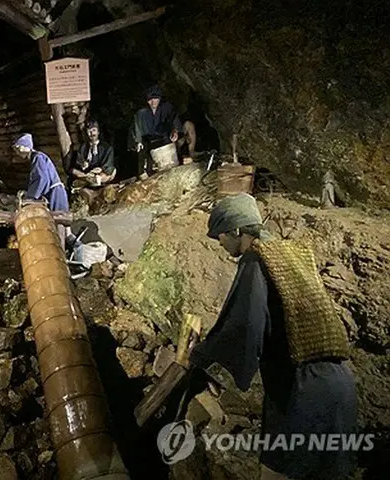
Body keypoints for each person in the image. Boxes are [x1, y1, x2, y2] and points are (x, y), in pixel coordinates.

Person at [186, 193, 357, 480]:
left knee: (276, 475)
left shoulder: (255, 259)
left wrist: (200, 353)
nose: (219, 243)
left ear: (237, 230)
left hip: (305, 389)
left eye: (220, 235)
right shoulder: (293, 254)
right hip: (340, 385)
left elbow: (243, 326)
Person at [131, 85, 196, 176]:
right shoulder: (141, 114)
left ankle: (191, 154)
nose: (153, 102)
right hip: (153, 144)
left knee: (189, 126)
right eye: (150, 100)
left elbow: (174, 119)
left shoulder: (167, 108)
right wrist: (138, 141)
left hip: (169, 140)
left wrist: (175, 131)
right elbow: (137, 130)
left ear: (160, 98)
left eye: (156, 99)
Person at [12, 133, 69, 213]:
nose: (17, 152)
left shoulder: (38, 157)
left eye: (18, 148)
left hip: (55, 194)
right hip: (52, 193)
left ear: (25, 146)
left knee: (59, 220)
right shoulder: (35, 158)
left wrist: (30, 197)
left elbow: (42, 178)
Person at [65, 120, 116, 188]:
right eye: (89, 131)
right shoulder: (83, 147)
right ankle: (89, 180)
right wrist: (83, 164)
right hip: (86, 173)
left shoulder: (106, 147)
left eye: (94, 130)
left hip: (100, 173)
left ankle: (97, 180)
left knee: (112, 171)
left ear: (98, 132)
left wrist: (100, 169)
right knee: (73, 171)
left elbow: (108, 164)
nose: (92, 133)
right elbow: (78, 162)